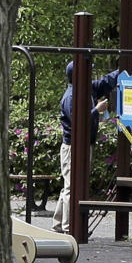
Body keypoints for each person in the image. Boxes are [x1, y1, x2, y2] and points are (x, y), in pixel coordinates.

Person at [51, 61, 112, 233]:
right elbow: (78, 121)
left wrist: (124, 72)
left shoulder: (84, 90)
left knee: (69, 185)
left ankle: (58, 224)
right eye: (87, 72)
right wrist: (96, 110)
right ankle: (69, 227)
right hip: (73, 147)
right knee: (72, 186)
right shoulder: (71, 96)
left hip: (81, 145)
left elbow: (105, 82)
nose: (91, 75)